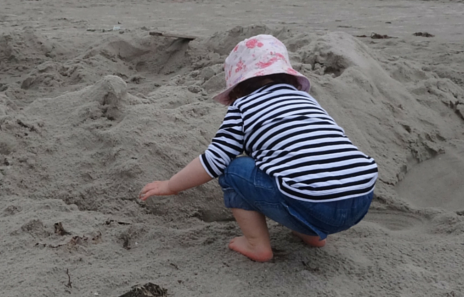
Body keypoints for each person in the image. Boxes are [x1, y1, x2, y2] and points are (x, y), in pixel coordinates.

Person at [140, 35, 378, 262]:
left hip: (312, 202)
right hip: (360, 197)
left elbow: (215, 160)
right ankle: (312, 235)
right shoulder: (307, 100)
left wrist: (170, 185)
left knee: (233, 170)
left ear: (237, 83)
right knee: (304, 170)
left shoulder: (243, 106)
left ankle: (257, 244)